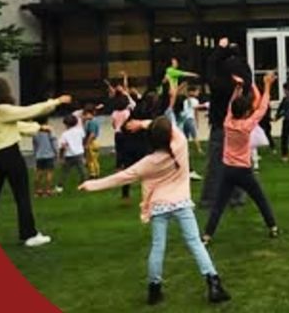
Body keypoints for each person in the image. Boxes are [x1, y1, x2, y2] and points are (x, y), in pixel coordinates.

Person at [79, 116, 230, 305]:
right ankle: (214, 284)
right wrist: (143, 123)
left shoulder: (149, 162)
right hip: (181, 203)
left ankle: (154, 290)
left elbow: (122, 177)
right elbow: (170, 128)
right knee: (195, 244)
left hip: (159, 206)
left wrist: (93, 184)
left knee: (158, 247)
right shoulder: (181, 144)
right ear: (169, 135)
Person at [0, 78, 69, 247]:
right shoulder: (2, 109)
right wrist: (56, 102)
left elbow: (14, 125)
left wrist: (38, 128)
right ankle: (29, 234)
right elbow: (28, 111)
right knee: (21, 196)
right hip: (9, 155)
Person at [203, 72, 279, 244]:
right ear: (245, 112)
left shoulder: (227, 123)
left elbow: (231, 105)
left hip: (228, 170)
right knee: (260, 200)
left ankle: (207, 236)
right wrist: (267, 86)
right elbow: (262, 109)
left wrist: (237, 89)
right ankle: (273, 227)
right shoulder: (246, 125)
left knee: (218, 206)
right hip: (244, 171)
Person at [200, 38, 251, 210]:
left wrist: (219, 50)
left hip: (221, 123)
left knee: (216, 162)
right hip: (239, 124)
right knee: (239, 161)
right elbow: (249, 83)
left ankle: (210, 198)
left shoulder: (221, 73)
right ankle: (237, 197)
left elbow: (210, 68)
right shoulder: (243, 71)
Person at [56, 114, 88, 193]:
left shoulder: (65, 134)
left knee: (65, 172)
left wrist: (60, 157)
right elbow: (84, 139)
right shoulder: (80, 131)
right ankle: (84, 184)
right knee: (82, 171)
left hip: (69, 155)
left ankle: (60, 187)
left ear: (66, 124)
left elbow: (62, 147)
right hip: (79, 153)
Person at [31, 118, 58, 197]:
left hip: (39, 155)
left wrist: (35, 154)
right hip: (49, 154)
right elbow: (54, 141)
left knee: (38, 173)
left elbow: (34, 144)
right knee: (49, 173)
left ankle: (37, 190)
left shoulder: (35, 132)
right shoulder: (49, 131)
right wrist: (56, 152)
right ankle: (48, 190)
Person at [179, 85, 205, 155]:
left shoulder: (185, 101)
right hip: (191, 119)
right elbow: (195, 112)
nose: (198, 92)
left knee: (185, 136)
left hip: (185, 120)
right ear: (192, 92)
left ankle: (185, 150)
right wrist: (197, 121)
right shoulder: (196, 101)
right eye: (197, 91)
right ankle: (199, 149)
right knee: (195, 136)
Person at [84, 103, 103, 179]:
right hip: (94, 142)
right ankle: (94, 173)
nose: (85, 116)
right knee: (92, 160)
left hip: (92, 143)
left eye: (86, 114)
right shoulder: (94, 120)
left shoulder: (92, 122)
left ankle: (94, 174)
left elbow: (92, 134)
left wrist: (87, 144)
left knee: (92, 159)